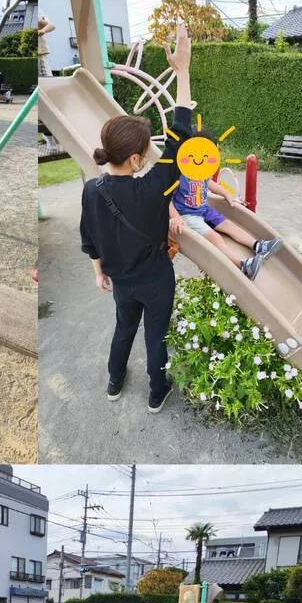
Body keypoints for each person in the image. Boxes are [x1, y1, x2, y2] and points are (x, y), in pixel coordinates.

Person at [79, 24, 193, 414]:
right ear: (135, 159)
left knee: (123, 329)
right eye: (146, 150)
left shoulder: (92, 190)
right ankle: (156, 391)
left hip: (122, 282)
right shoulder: (155, 188)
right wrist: (182, 71)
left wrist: (98, 273)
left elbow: (89, 238)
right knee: (155, 336)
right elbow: (181, 134)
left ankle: (114, 382)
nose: (150, 154)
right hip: (156, 278)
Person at [168, 155, 281, 280]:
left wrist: (227, 194)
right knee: (214, 237)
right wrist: (175, 217)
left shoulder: (199, 169)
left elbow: (212, 184)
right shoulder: (177, 175)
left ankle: (258, 246)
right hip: (187, 215)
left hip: (204, 210)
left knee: (229, 225)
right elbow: (166, 199)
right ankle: (243, 266)